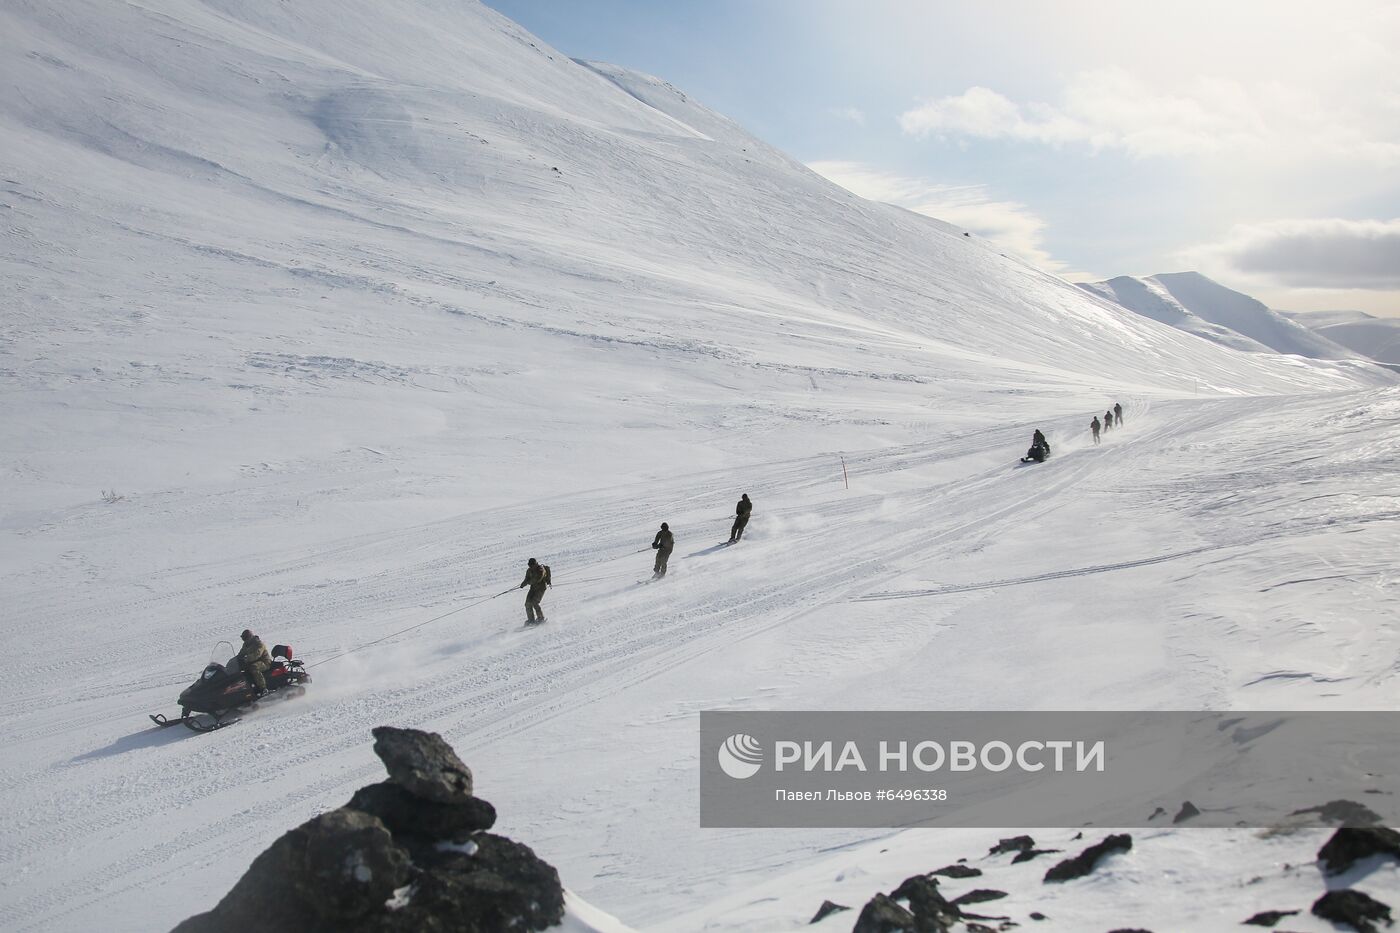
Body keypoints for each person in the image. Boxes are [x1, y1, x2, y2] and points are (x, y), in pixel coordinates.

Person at [238, 629, 272, 696]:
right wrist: (236, 659)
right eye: (243, 638)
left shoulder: (259, 643)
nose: (244, 640)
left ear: (249, 637)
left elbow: (257, 654)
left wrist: (246, 658)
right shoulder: (246, 645)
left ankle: (264, 689)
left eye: (245, 638)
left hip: (265, 662)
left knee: (254, 667)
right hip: (252, 662)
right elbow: (241, 653)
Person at [519, 557, 551, 625]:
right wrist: (522, 584)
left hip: (541, 588)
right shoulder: (529, 570)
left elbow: (537, 580)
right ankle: (531, 620)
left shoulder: (540, 570)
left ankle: (541, 618)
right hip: (533, 588)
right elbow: (527, 579)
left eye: (532, 565)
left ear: (535, 564)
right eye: (529, 565)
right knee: (527, 603)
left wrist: (527, 583)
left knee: (534, 602)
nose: (530, 567)